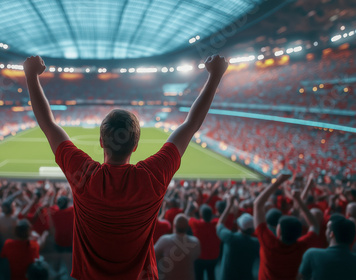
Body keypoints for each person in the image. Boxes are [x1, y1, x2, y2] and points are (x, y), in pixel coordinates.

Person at [23, 54, 228, 279]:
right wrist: (215, 76)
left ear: (101, 142)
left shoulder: (84, 176)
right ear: (136, 145)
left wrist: (31, 76)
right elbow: (190, 125)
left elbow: (48, 125)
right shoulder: (152, 176)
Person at [253, 173, 320, 280]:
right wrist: (298, 199)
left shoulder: (269, 244)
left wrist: (278, 182)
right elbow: (315, 226)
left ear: (278, 231)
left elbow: (257, 204)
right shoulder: (301, 246)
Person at [216, 196, 259, 280]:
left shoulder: (230, 238)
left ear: (239, 227)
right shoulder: (256, 243)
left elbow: (219, 225)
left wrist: (229, 205)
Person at [154, 214, 200, 280]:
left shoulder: (164, 240)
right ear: (187, 227)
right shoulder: (195, 242)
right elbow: (196, 256)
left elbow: (154, 253)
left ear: (174, 226)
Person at [189, 204, 220, 280]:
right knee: (211, 275)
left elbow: (187, 215)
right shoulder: (217, 224)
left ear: (200, 214)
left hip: (199, 258)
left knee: (199, 277)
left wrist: (191, 206)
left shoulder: (196, 224)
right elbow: (221, 218)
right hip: (213, 257)